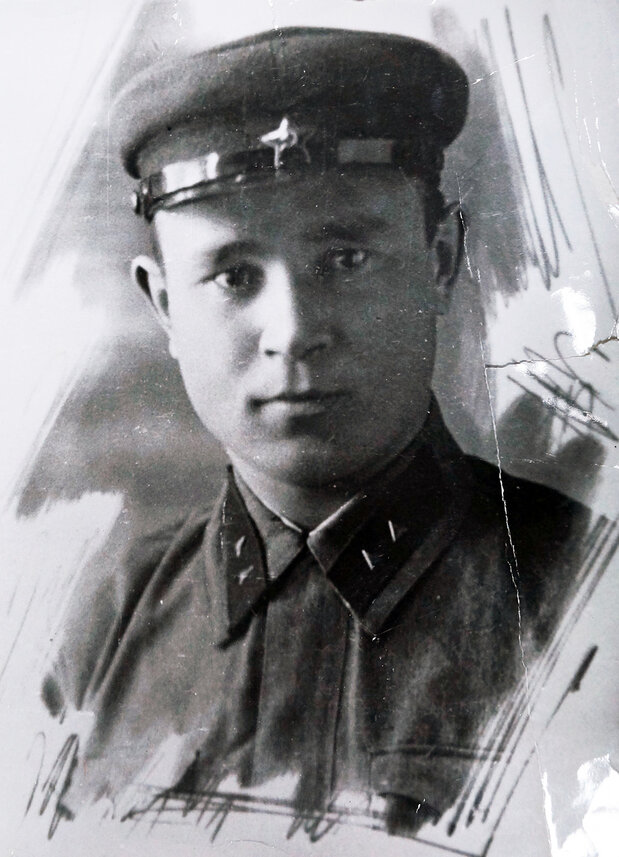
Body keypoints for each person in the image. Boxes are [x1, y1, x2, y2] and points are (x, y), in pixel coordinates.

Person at [43, 27, 591, 840]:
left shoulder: (586, 601)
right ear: (163, 305)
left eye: (345, 259)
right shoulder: (99, 627)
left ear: (440, 260)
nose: (295, 331)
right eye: (234, 276)